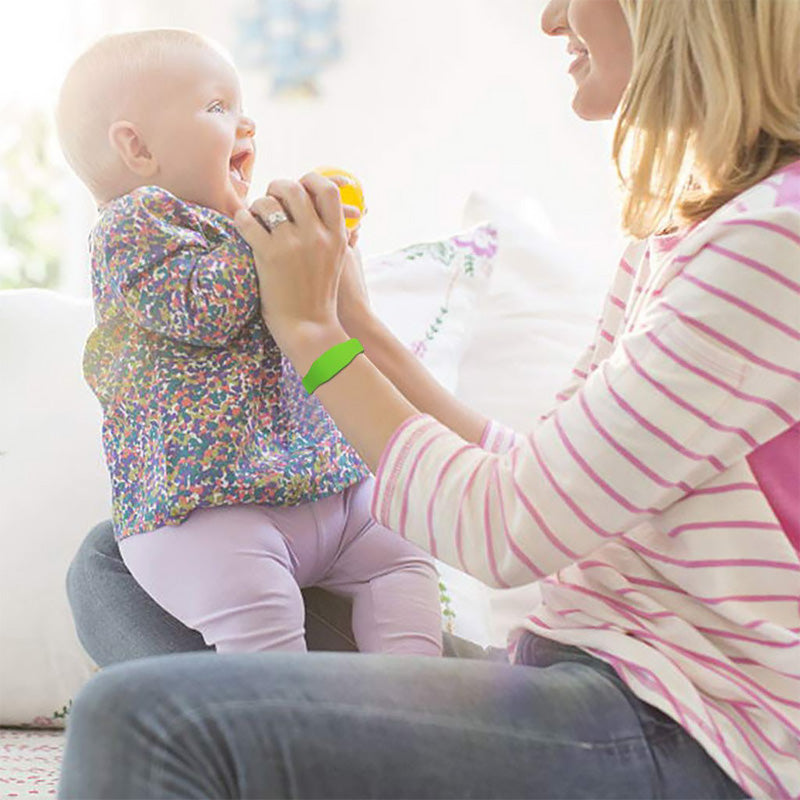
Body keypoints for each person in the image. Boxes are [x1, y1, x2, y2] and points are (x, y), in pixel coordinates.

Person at [59, 0, 800, 797]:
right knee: (119, 556)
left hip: (685, 727)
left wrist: (312, 332)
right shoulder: (685, 230)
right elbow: (548, 480)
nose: (551, 17)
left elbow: (507, 530)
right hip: (590, 660)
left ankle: (308, 754)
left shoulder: (768, 246)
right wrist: (360, 326)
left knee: (136, 720)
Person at [53, 28, 443, 658]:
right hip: (213, 508)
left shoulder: (235, 228)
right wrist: (271, 239)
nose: (246, 123)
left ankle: (419, 698)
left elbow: (323, 330)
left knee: (402, 552)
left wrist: (321, 255)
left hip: (325, 483)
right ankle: (283, 726)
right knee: (259, 609)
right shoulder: (133, 226)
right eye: (217, 107)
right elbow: (202, 307)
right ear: (138, 147)